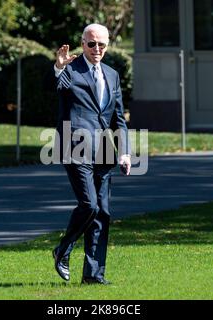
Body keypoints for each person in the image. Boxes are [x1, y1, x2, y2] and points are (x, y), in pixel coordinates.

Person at [52, 24, 131, 285]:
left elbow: (118, 118)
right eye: (91, 44)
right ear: (82, 43)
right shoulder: (71, 70)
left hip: (104, 150)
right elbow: (57, 87)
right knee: (89, 205)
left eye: (102, 45)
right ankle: (63, 248)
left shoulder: (112, 74)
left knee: (102, 213)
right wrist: (59, 67)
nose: (97, 49)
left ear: (108, 45)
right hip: (75, 146)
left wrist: (125, 153)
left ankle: (93, 275)